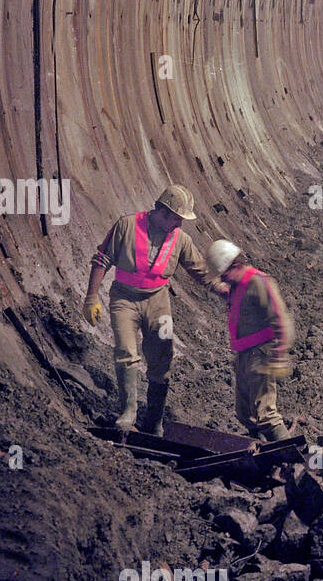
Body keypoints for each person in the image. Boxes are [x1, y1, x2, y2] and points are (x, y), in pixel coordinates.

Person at [82, 184, 224, 433]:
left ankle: (154, 421)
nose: (179, 225)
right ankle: (128, 413)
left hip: (159, 302)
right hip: (124, 299)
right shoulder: (126, 226)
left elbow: (199, 271)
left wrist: (225, 290)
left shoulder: (180, 239)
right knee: (126, 352)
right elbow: (102, 259)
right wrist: (91, 297)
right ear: (163, 212)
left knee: (162, 359)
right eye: (177, 219)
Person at [207, 240, 294, 442]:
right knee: (244, 413)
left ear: (235, 266)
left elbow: (280, 318)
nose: (223, 280)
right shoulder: (237, 285)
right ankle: (263, 449)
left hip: (261, 354)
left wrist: (279, 354)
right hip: (244, 355)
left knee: (266, 413)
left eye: (224, 274)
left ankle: (291, 456)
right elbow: (220, 288)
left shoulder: (258, 282)